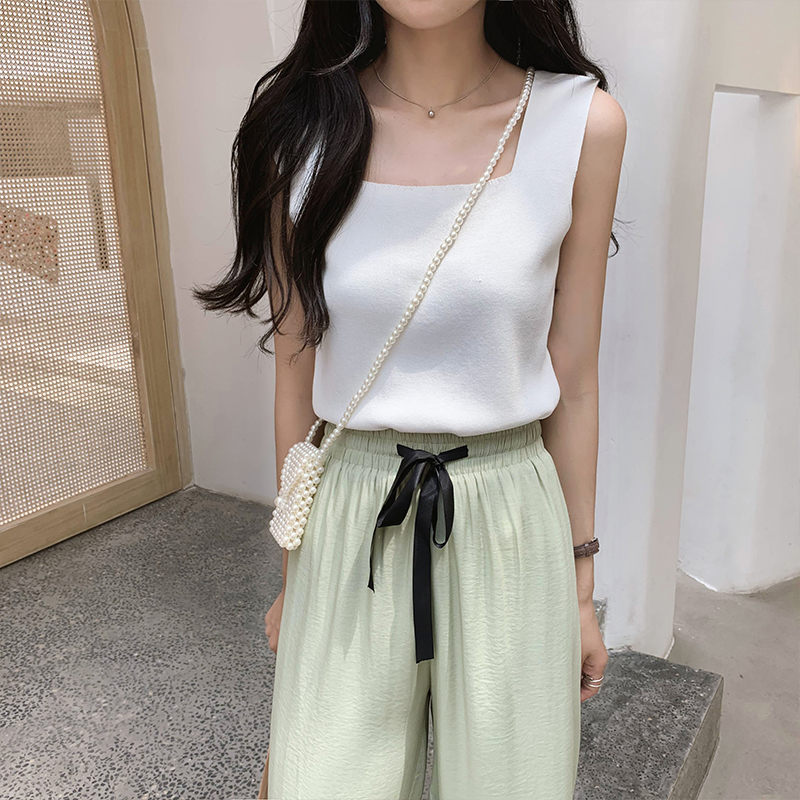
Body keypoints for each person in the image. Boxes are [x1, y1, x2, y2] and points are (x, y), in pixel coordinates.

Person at [194, 1, 626, 798]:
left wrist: (579, 591)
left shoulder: (582, 125)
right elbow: (296, 378)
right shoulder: (298, 130)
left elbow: (574, 379)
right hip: (350, 514)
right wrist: (295, 577)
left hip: (510, 517)